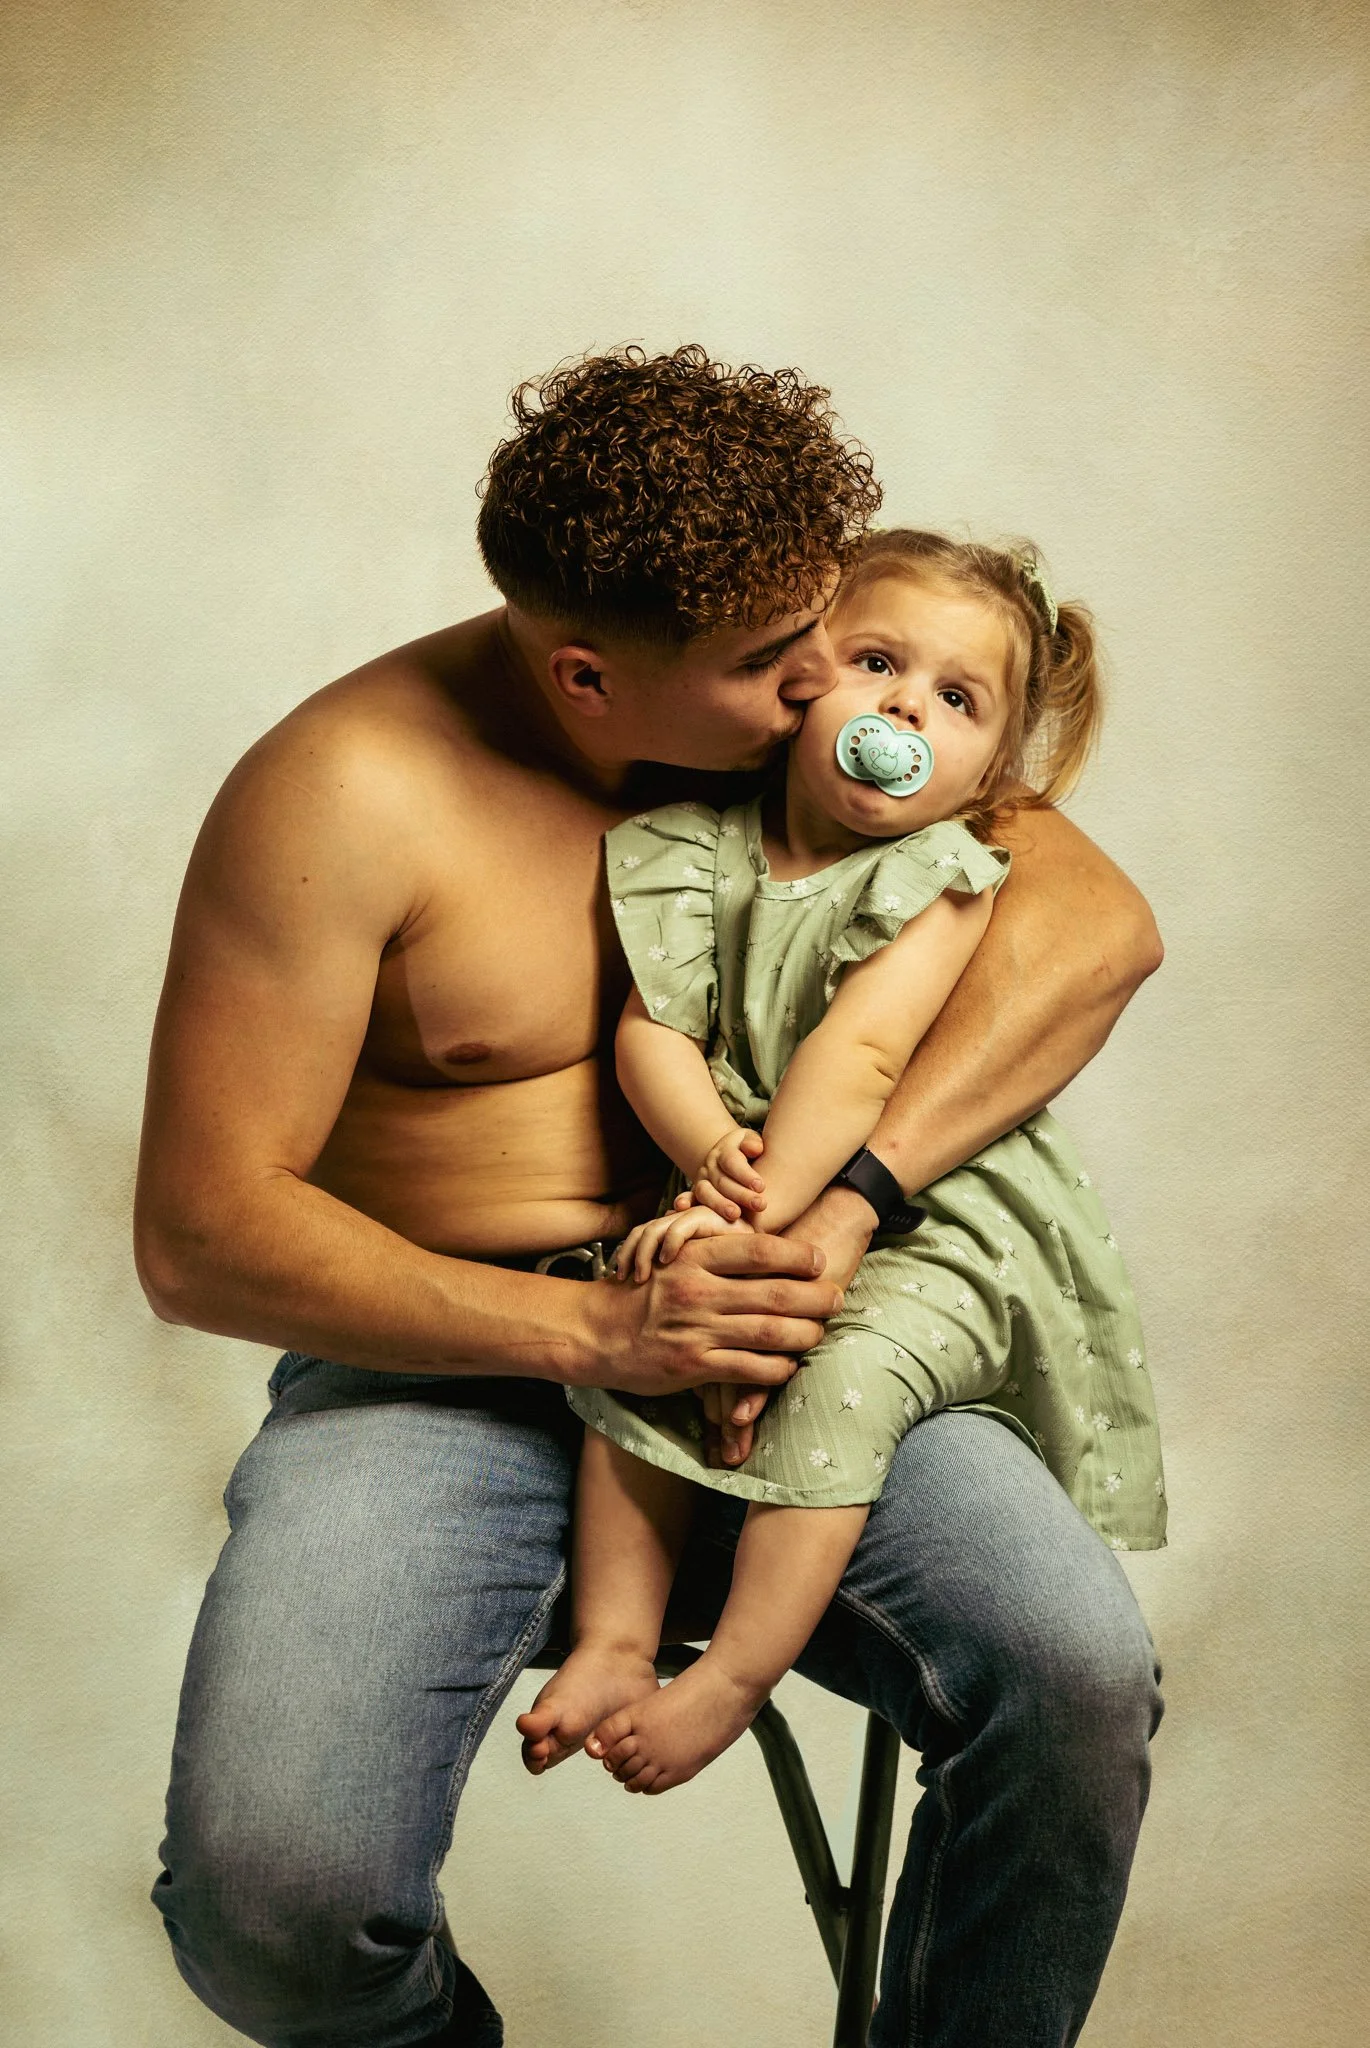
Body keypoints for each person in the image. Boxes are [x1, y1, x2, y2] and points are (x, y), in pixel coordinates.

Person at [137, 347, 1164, 2048]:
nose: (838, 682)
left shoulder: (821, 717)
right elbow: (198, 1231)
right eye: (783, 662)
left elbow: (1096, 925)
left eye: (829, 626)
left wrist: (856, 1203)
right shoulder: (345, 795)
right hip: (445, 1372)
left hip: (797, 1336)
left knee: (1073, 1670)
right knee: (276, 1899)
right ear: (592, 681)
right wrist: (598, 1323)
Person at [520, 529, 1165, 1796]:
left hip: (920, 1220)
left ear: (993, 772)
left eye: (955, 698)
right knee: (658, 1337)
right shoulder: (693, 844)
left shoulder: (939, 877)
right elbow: (651, 1029)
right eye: (877, 661)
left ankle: (732, 1673)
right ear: (802, 676)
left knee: (843, 1382)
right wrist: (707, 1163)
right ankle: (613, 1635)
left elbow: (859, 1064)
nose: (904, 707)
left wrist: (747, 1208)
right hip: (739, 1173)